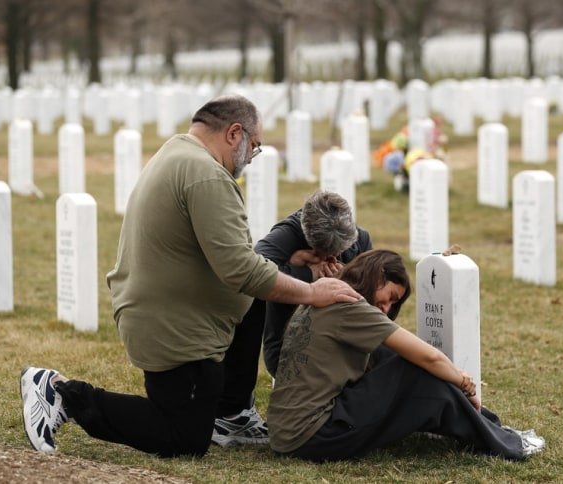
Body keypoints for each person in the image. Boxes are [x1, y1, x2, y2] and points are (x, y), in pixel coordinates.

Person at [19, 94, 360, 458]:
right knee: (184, 437)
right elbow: (242, 269)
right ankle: (62, 394)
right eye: (254, 146)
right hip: (175, 329)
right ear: (234, 133)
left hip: (168, 312)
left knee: (260, 291)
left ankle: (230, 413)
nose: (250, 157)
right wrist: (312, 290)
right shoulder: (207, 176)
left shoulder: (178, 153)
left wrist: (294, 265)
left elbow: (230, 258)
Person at [267, 249, 545, 462]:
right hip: (313, 435)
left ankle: (488, 425)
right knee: (412, 368)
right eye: (388, 296)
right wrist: (463, 382)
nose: (387, 308)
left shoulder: (326, 293)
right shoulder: (350, 306)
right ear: (376, 276)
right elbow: (429, 358)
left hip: (284, 432)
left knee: (390, 354)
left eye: (393, 303)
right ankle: (504, 443)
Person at [212, 190, 373, 447]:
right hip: (287, 349)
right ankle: (233, 411)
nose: (331, 260)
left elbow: (373, 302)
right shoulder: (286, 236)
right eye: (322, 253)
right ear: (305, 235)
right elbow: (250, 276)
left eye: (338, 253)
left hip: (342, 349)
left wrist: (344, 281)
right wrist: (302, 272)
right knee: (249, 302)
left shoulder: (360, 239)